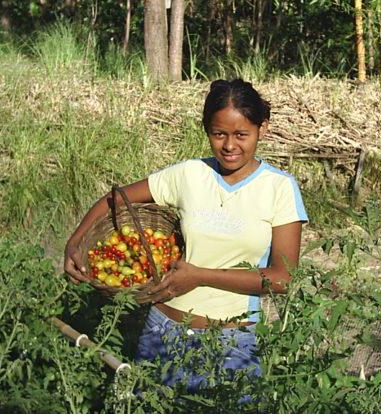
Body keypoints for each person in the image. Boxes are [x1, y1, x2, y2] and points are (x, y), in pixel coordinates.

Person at [63, 78, 308, 392]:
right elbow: (115, 199)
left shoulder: (279, 188)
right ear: (207, 130)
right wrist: (74, 243)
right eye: (219, 134)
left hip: (230, 342)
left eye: (241, 135)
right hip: (162, 330)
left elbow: (281, 278)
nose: (230, 146)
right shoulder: (190, 174)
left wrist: (200, 276)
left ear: (263, 128)